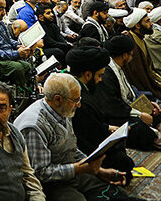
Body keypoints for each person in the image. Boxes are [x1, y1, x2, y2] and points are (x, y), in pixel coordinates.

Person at [14, 73, 139, 201]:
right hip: (49, 185)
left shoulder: (61, 110)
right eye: (76, 100)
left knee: (117, 195)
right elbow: (40, 173)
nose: (79, 105)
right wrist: (77, 169)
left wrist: (98, 170)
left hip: (68, 173)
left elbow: (70, 147)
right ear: (57, 99)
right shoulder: (34, 126)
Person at [66, 46, 136, 185]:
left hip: (91, 138)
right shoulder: (79, 99)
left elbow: (93, 124)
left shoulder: (77, 86)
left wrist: (108, 127)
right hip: (83, 151)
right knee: (124, 163)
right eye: (99, 75)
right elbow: (91, 136)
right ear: (87, 75)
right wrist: (112, 136)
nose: (100, 80)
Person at [99, 35, 161, 150]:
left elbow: (130, 91)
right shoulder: (107, 74)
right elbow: (113, 105)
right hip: (115, 114)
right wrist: (140, 114)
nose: (132, 57)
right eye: (131, 54)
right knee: (140, 129)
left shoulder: (118, 67)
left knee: (155, 107)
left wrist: (147, 104)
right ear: (124, 55)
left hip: (126, 106)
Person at [121, 8, 161, 99]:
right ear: (137, 26)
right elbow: (138, 76)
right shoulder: (131, 43)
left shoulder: (140, 38)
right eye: (147, 21)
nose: (151, 24)